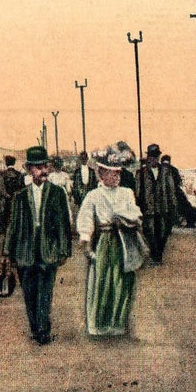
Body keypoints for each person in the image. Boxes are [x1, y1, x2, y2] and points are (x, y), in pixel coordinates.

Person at [2, 146, 73, 346]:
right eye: (37, 167)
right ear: (29, 169)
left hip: (48, 251)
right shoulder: (20, 197)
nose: (42, 170)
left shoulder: (58, 193)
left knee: (45, 292)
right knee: (29, 292)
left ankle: (43, 329)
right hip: (25, 253)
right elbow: (13, 225)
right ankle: (35, 326)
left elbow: (63, 224)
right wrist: (7, 252)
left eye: (45, 166)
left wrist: (64, 249)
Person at [77, 143, 146, 338]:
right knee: (103, 280)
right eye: (111, 173)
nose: (116, 177)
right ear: (101, 174)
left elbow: (135, 213)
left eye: (118, 174)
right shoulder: (94, 195)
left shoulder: (126, 193)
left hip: (125, 240)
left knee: (123, 281)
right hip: (105, 240)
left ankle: (118, 323)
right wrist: (86, 240)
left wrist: (123, 217)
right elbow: (85, 218)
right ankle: (99, 324)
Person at [135, 144, 180, 264]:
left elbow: (171, 190)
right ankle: (155, 254)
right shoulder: (141, 173)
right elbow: (138, 192)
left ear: (159, 157)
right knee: (148, 231)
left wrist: (173, 205)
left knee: (163, 232)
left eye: (156, 156)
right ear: (148, 157)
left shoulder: (166, 171)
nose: (154, 159)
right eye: (152, 157)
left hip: (162, 206)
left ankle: (158, 253)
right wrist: (138, 207)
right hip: (148, 207)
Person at [0, 155, 25, 232]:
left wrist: (6, 195)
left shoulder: (2, 175)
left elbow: (0, 189)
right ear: (14, 163)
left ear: (6, 163)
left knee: (6, 222)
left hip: (5, 202)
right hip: (17, 201)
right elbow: (23, 189)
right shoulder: (19, 175)